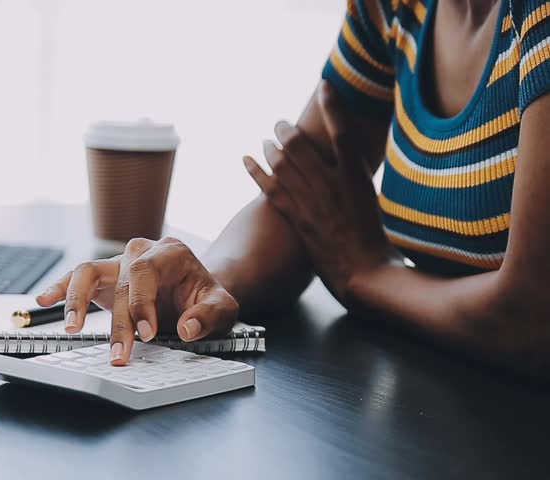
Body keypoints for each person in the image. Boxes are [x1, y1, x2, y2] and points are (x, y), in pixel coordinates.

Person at [38, 0, 550, 377]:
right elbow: (301, 202)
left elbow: (529, 318)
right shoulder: (394, 8)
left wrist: (370, 275)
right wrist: (203, 282)